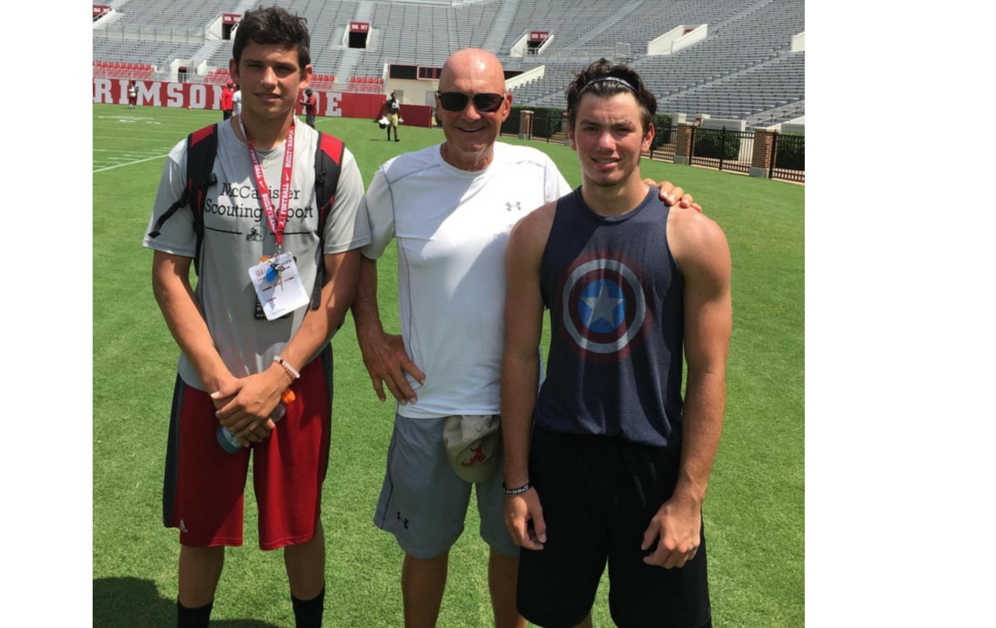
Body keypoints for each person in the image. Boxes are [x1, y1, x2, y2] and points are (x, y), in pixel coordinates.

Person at [352, 48, 701, 628]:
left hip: (523, 411)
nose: (471, 113)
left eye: (485, 101)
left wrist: (663, 193)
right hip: (426, 402)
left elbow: (598, 210)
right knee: (424, 552)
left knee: (516, 551)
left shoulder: (535, 171)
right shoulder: (398, 177)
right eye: (456, 100)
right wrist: (371, 331)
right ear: (437, 106)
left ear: (505, 106)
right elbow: (361, 253)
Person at [142, 7, 368, 628]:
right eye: (256, 66)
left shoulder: (332, 160)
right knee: (202, 528)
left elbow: (338, 287)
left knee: (301, 525)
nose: (270, 79)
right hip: (209, 386)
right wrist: (222, 384)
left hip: (296, 383)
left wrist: (279, 376)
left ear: (305, 76)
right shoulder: (194, 154)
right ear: (234, 72)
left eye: (283, 67)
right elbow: (168, 277)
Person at [501, 59, 732, 628]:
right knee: (558, 614)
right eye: (591, 128)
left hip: (653, 462)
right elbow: (520, 357)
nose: (606, 143)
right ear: (571, 132)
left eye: (622, 129)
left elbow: (708, 373)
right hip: (560, 455)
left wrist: (689, 498)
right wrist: (518, 480)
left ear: (648, 135)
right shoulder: (536, 232)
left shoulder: (694, 235)